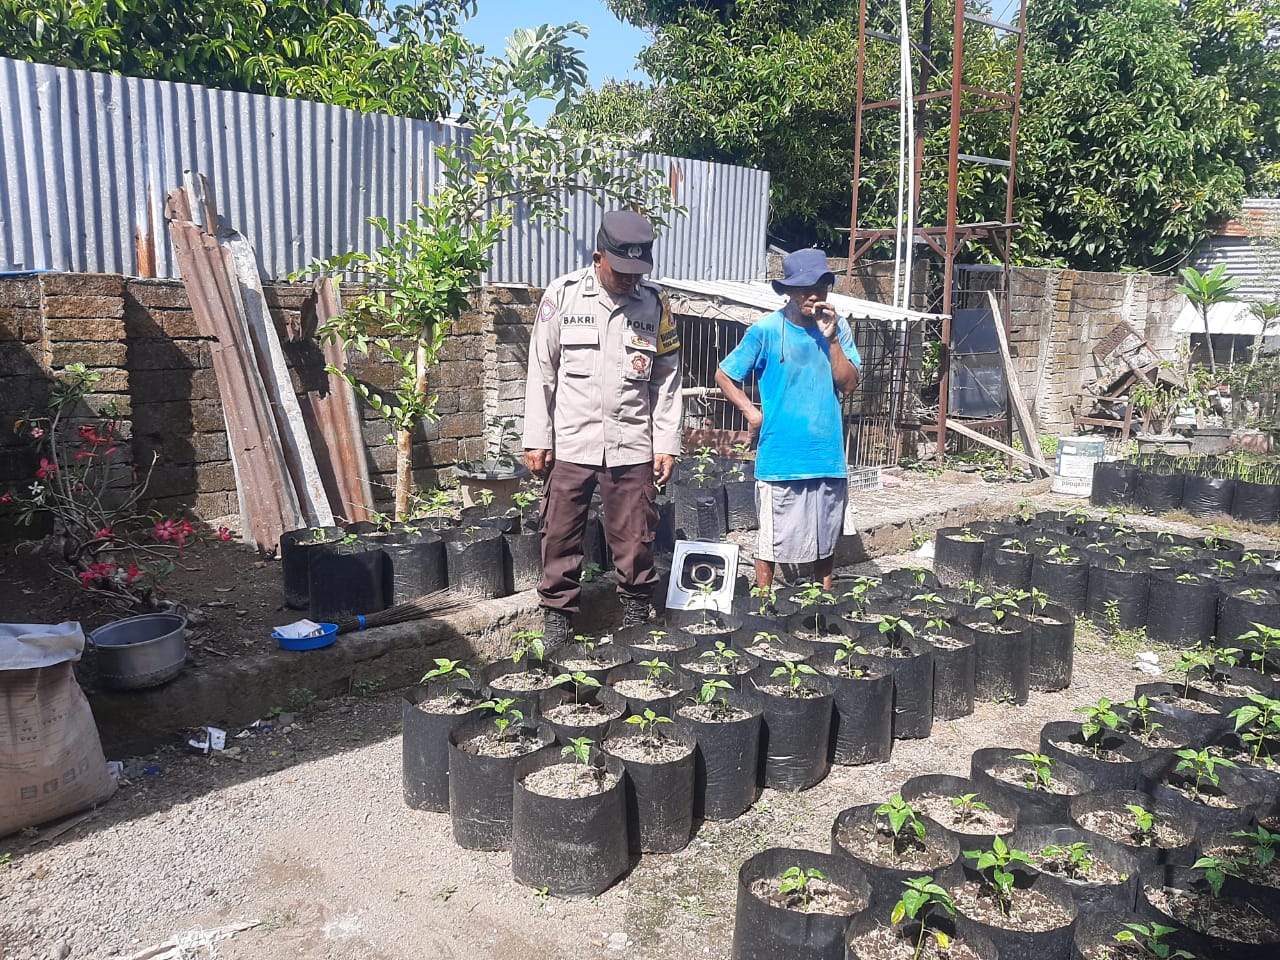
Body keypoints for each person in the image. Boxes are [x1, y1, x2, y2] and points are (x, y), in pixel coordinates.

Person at [523, 210, 683, 647]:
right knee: (559, 533)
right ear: (598, 257)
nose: (631, 279)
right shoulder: (563, 297)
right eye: (622, 270)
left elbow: (667, 379)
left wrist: (666, 443)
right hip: (572, 443)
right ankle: (558, 621)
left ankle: (635, 614)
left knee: (636, 538)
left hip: (632, 445)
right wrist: (537, 437)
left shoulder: (654, 306)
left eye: (639, 271)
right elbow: (542, 370)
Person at [714, 248, 860, 594]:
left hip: (826, 456)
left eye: (821, 287)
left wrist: (833, 338)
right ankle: (762, 603)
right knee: (772, 539)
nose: (813, 295)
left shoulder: (839, 330)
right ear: (787, 292)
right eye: (804, 288)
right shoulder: (765, 330)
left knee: (826, 537)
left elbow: (849, 384)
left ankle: (823, 601)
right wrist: (751, 411)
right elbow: (724, 374)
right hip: (781, 457)